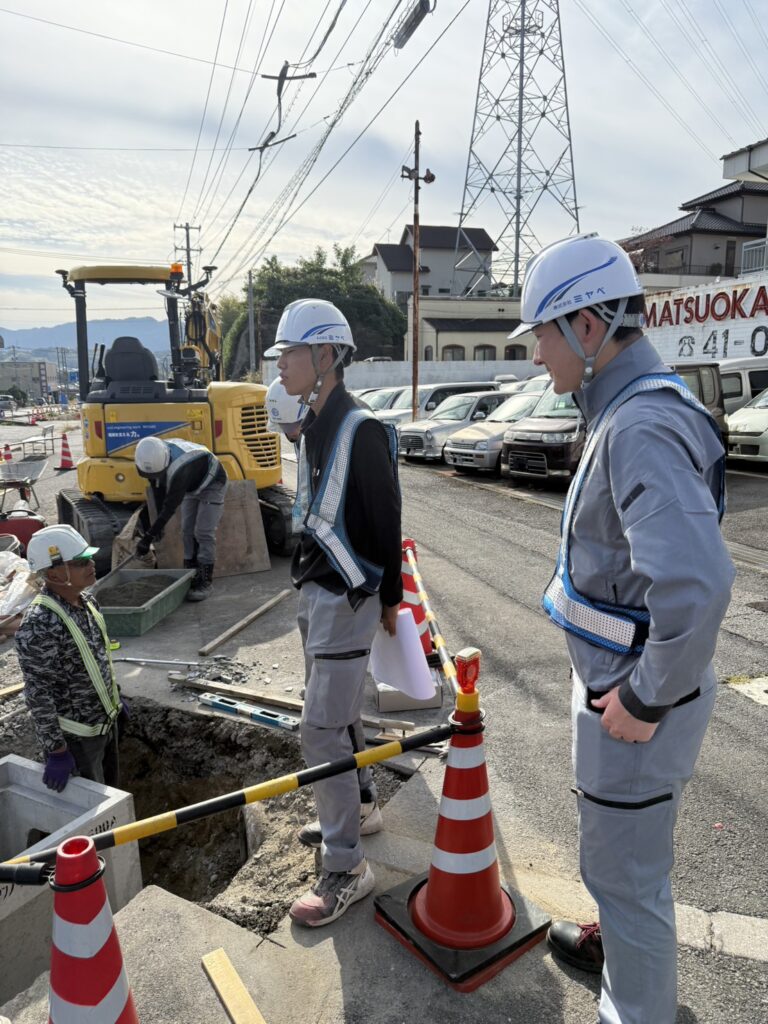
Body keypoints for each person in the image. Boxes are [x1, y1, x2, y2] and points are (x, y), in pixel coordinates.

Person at [509, 233, 735, 1024]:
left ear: (590, 327)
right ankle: (623, 954)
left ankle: (636, 1009)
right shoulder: (622, 411)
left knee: (627, 876)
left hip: (637, 702)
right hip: (620, 684)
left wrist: (641, 701)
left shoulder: (638, 425)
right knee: (622, 861)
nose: (537, 353)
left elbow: (699, 589)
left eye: (542, 332)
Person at [264, 298, 403, 928]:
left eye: (290, 352)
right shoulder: (316, 426)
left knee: (320, 727)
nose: (282, 365)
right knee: (338, 714)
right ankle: (363, 805)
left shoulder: (360, 428)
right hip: (316, 592)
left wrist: (389, 598)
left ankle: (346, 866)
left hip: (346, 597)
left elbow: (386, 521)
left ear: (325, 357)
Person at [15, 525, 125, 791]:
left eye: (88, 558)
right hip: (77, 740)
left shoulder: (88, 603)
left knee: (115, 795)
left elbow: (97, 660)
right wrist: (56, 750)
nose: (91, 565)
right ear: (53, 572)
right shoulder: (40, 623)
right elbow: (38, 692)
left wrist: (115, 698)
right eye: (79, 562)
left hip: (106, 726)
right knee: (95, 812)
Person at [134, 436, 227, 602]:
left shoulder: (180, 469)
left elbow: (170, 506)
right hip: (192, 484)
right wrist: (158, 527)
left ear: (165, 462)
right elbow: (157, 488)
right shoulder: (153, 455)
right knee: (186, 530)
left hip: (212, 482)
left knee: (203, 532)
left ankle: (205, 580)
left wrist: (147, 538)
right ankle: (190, 570)